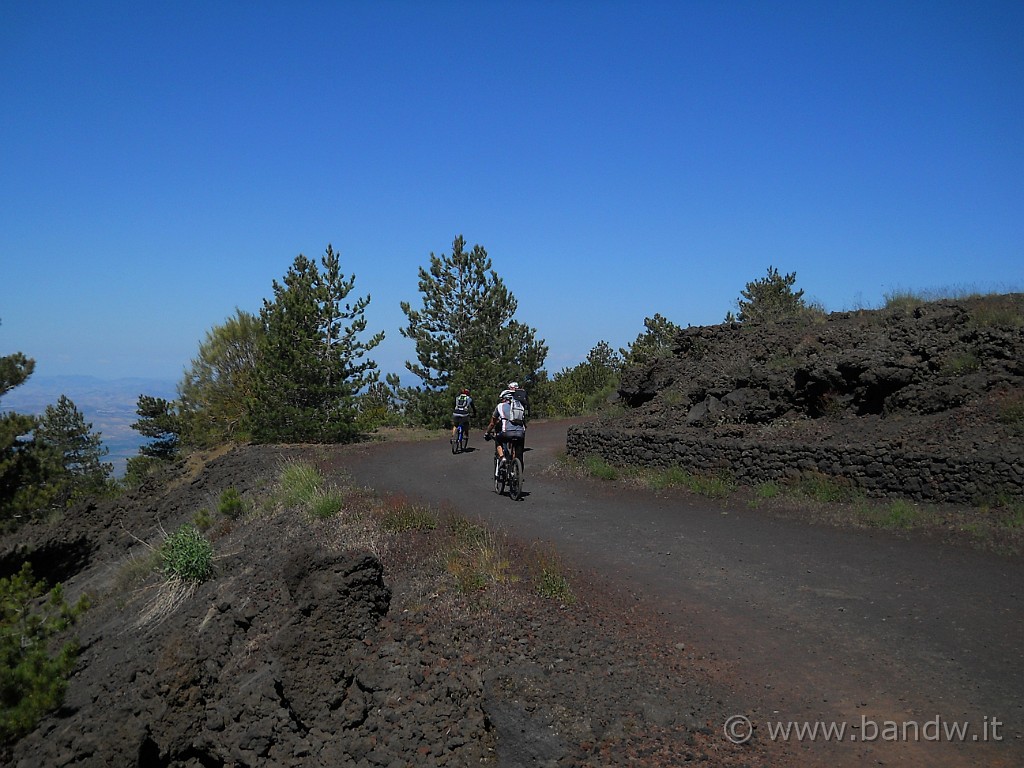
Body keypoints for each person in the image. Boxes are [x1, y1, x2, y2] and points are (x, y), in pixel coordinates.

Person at [486, 389, 526, 478]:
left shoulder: (500, 406)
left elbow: (492, 423)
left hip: (506, 433)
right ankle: (515, 467)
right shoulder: (520, 406)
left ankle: (502, 458)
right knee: (517, 450)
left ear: (504, 398)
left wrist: (487, 433)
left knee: (498, 439)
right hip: (520, 433)